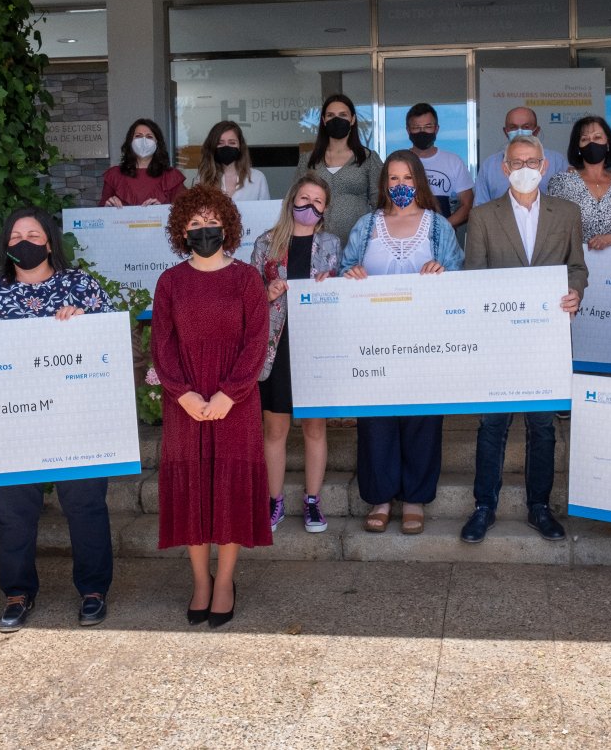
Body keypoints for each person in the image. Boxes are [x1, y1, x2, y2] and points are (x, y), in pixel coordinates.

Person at [0, 207, 116, 633]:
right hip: (12, 421)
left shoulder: (79, 284)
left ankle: (93, 589)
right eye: (15, 236)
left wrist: (87, 323)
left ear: (49, 241)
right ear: (5, 245)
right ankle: (17, 592)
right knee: (13, 512)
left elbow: (116, 340)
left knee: (85, 505)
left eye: (33, 233)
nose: (24, 241)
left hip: (76, 419)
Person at [151, 185, 271, 629]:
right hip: (185, 403)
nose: (205, 230)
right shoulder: (170, 282)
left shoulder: (246, 279)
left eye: (211, 222)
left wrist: (228, 394)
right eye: (195, 224)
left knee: (229, 491)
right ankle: (200, 580)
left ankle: (225, 582)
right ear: (181, 231)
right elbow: (162, 345)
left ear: (228, 226)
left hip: (234, 402)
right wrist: (183, 394)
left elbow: (256, 344)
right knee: (193, 491)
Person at [460, 134, 586, 544]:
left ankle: (539, 507)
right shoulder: (482, 216)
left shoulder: (566, 213)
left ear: (544, 166)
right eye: (518, 162)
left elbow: (577, 268)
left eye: (533, 161)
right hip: (498, 339)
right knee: (492, 424)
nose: (526, 168)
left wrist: (575, 293)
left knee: (543, 427)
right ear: (505, 168)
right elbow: (473, 276)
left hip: (548, 339)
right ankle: (484, 507)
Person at [342, 151, 464, 535]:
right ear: (384, 184)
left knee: (421, 418)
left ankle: (414, 499)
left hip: (424, 340)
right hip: (373, 341)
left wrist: (442, 271)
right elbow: (345, 269)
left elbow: (459, 276)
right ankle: (380, 497)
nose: (400, 186)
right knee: (376, 419)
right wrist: (352, 273)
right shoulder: (366, 225)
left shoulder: (439, 226)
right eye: (393, 179)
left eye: (407, 178)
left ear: (420, 182)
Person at [251, 173, 340, 534]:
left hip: (317, 346)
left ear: (326, 208)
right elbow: (247, 296)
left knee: (315, 427)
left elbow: (346, 288)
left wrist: (333, 286)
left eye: (318, 201)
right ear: (291, 200)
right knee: (275, 428)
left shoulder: (332, 243)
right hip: (277, 345)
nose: (310, 206)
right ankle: (275, 502)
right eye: (304, 198)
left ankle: (313, 501)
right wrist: (266, 292)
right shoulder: (266, 243)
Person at [547, 115, 611, 251]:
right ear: (578, 147)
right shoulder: (562, 183)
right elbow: (552, 227)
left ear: (608, 143)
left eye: (597, 137)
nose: (591, 143)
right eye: (584, 139)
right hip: (575, 265)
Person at [296, 94, 383, 243]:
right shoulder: (308, 159)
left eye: (343, 115)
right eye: (331, 115)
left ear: (352, 119)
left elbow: (380, 204)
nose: (337, 119)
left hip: (358, 243)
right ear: (323, 120)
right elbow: (295, 201)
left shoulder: (368, 158)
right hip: (315, 244)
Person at [473, 106, 569, 206]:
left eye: (526, 127)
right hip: (501, 221)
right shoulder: (489, 165)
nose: (519, 131)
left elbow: (565, 206)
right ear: (506, 131)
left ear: (536, 130)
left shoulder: (557, 161)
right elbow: (480, 208)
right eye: (513, 127)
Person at [405, 103, 474, 227]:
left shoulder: (453, 161)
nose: (422, 132)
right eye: (416, 127)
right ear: (408, 130)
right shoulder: (399, 162)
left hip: (444, 240)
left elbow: (467, 205)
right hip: (406, 237)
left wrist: (443, 229)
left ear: (436, 129)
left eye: (428, 126)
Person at [101, 118, 185, 206]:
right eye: (138, 136)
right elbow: (100, 214)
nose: (143, 141)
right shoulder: (114, 175)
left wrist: (162, 211)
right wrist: (107, 207)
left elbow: (184, 212)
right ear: (130, 141)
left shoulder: (172, 176)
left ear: (157, 143)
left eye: (149, 137)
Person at [195, 120, 269, 200]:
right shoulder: (202, 179)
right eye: (220, 143)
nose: (226, 147)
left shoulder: (257, 178)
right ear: (212, 147)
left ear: (240, 146)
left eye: (232, 143)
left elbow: (265, 210)